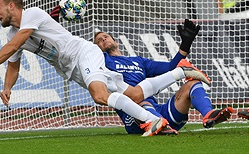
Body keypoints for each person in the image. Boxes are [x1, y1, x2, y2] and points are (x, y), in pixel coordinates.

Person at [0, 0, 206, 136]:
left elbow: (13, 47)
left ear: (11, 6)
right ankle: (179, 72)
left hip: (83, 53)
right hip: (72, 69)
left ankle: (153, 122)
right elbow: (13, 63)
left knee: (99, 96)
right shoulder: (9, 34)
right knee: (132, 93)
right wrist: (7, 88)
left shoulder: (33, 14)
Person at [94, 31, 233, 135]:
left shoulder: (138, 61)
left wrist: (185, 45)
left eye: (105, 36)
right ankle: (157, 124)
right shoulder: (103, 62)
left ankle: (209, 115)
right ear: (97, 49)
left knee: (192, 82)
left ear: (116, 42)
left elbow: (170, 67)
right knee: (142, 103)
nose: (103, 39)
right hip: (135, 117)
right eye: (99, 40)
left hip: (160, 111)